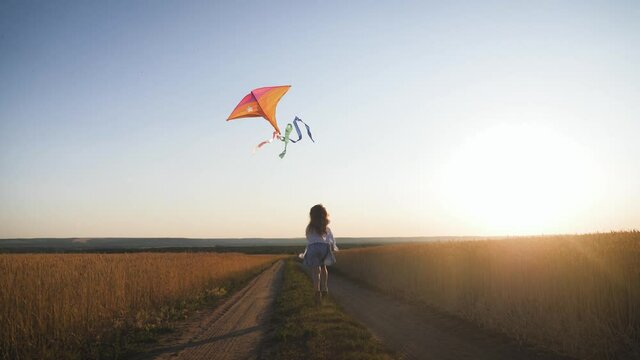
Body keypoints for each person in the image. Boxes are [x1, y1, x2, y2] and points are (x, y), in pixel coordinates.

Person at [302, 204, 338, 305]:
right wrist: (333, 247)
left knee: (315, 270)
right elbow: (331, 239)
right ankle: (325, 288)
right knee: (323, 268)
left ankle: (317, 291)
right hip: (324, 248)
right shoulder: (326, 228)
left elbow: (309, 239)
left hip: (313, 248)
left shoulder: (309, 228)